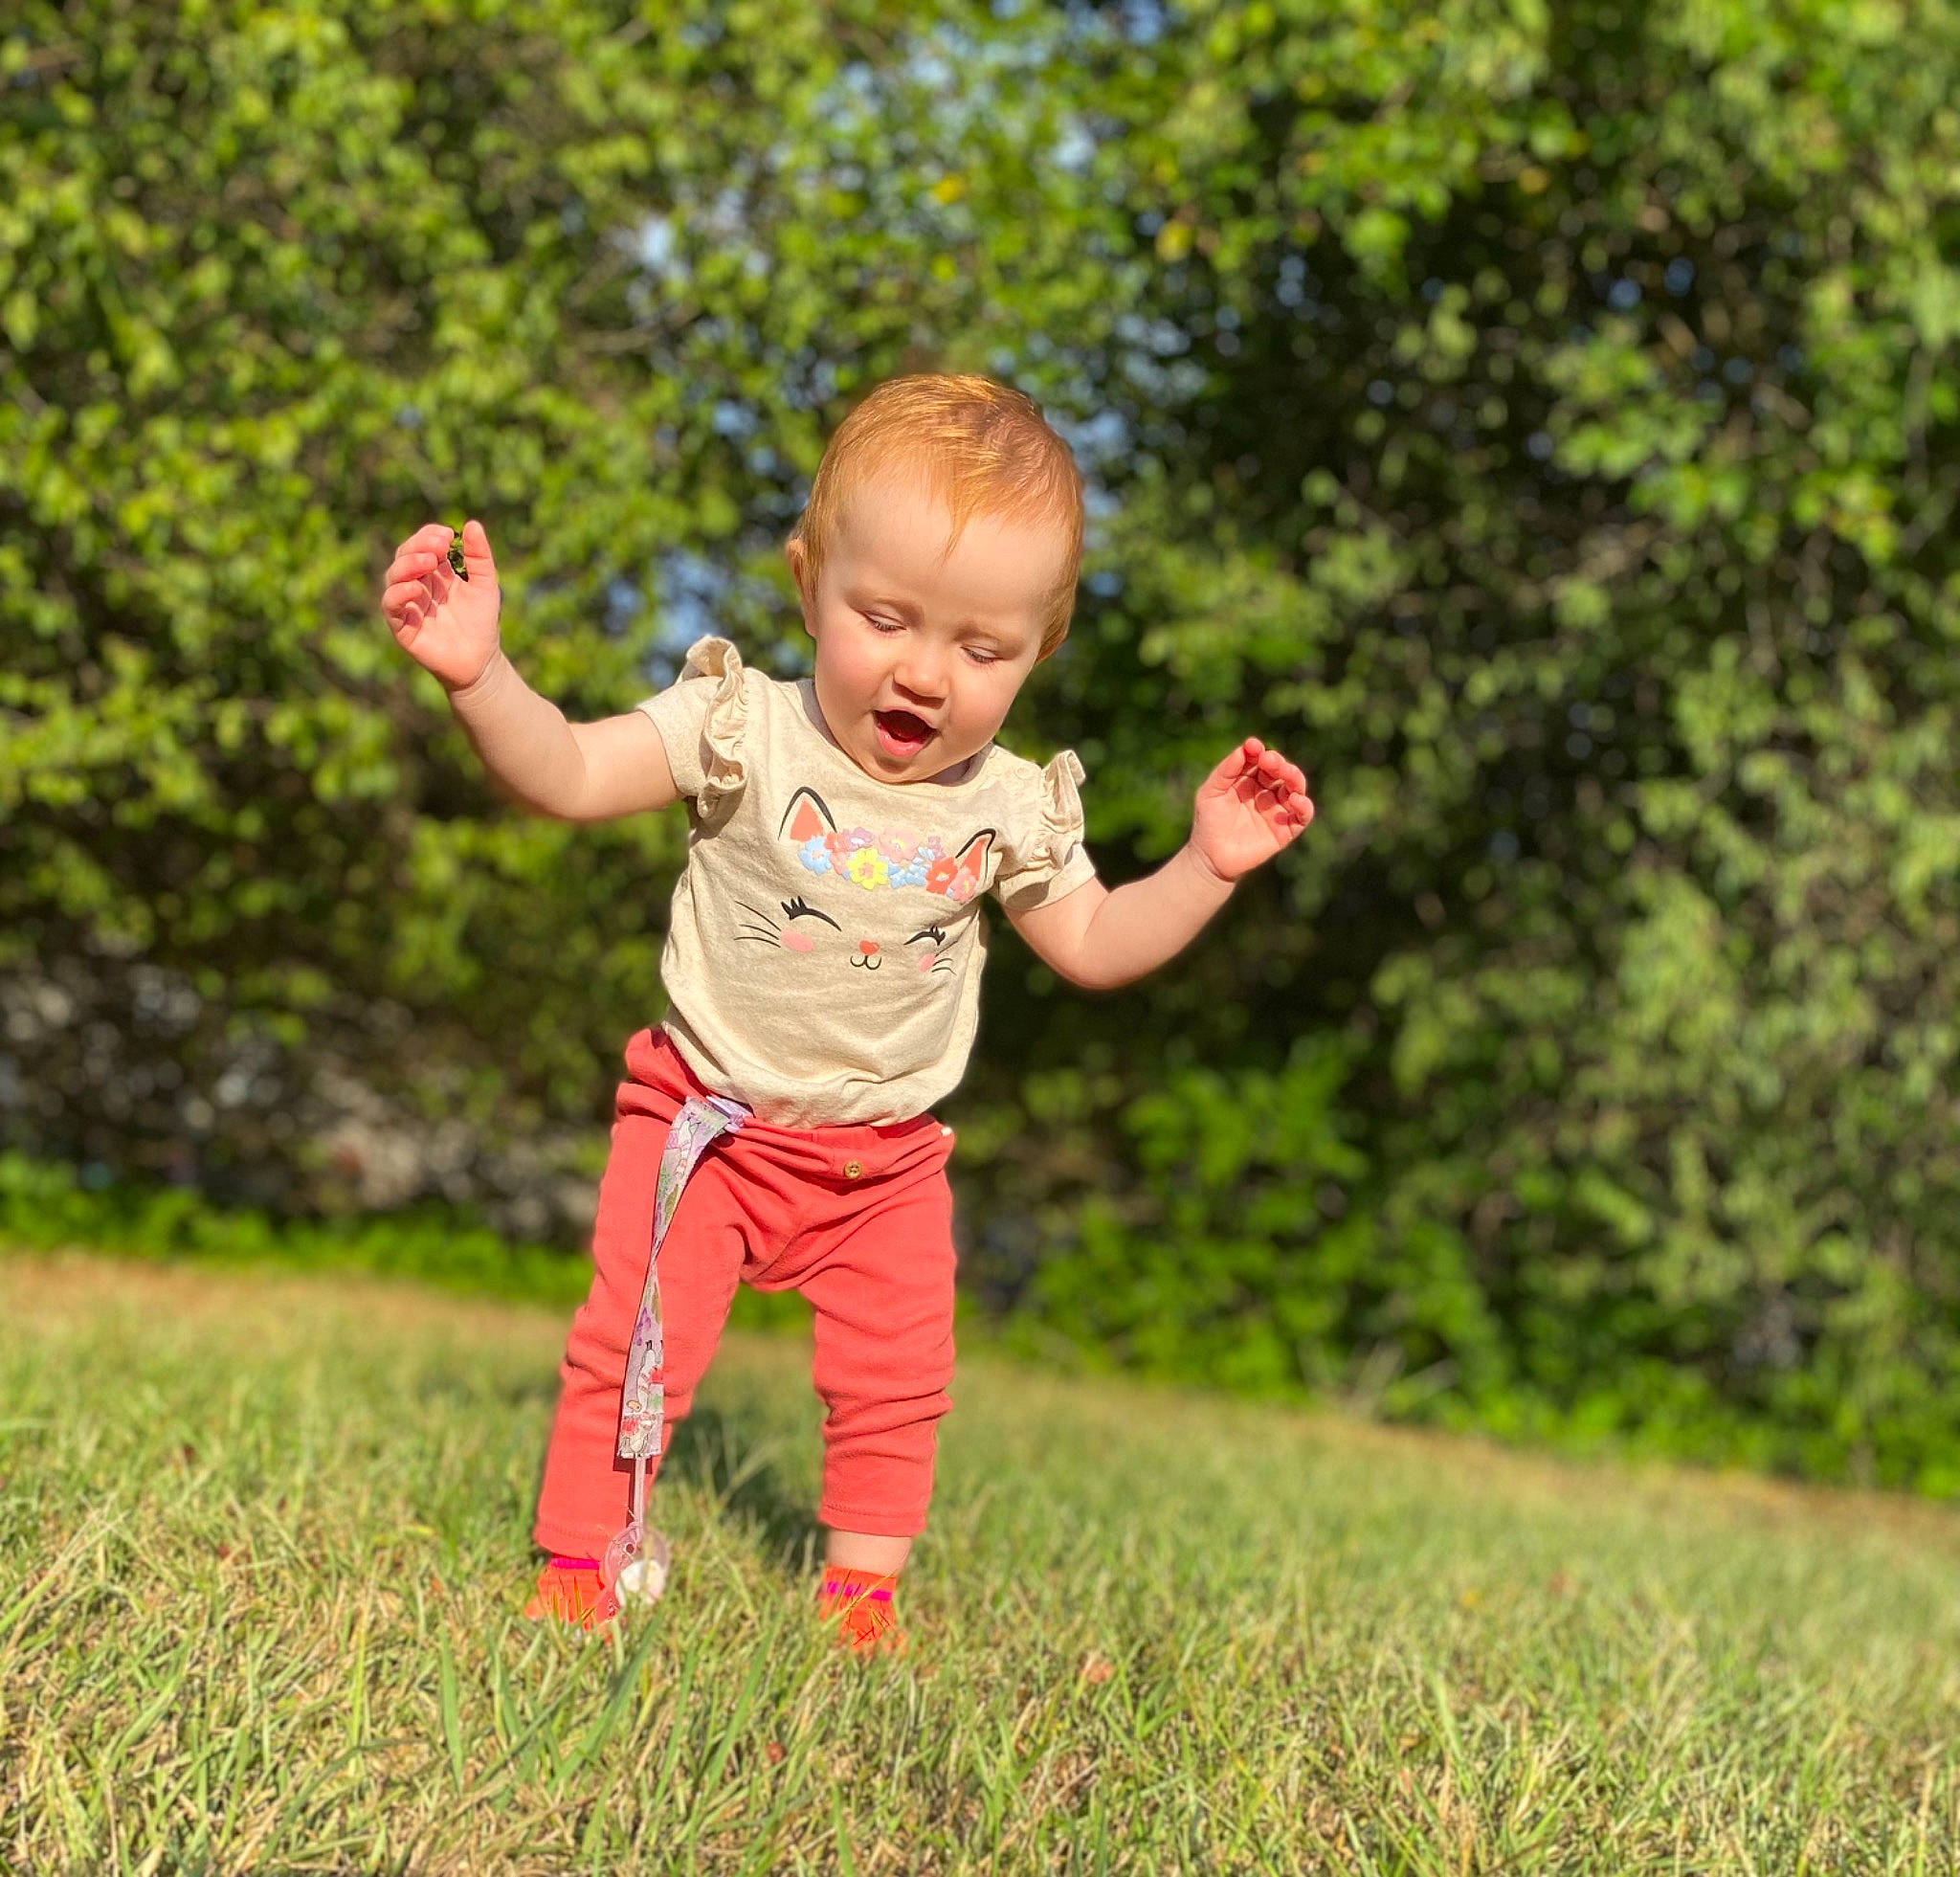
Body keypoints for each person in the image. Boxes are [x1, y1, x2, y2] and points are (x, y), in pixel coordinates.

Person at [378, 374, 1313, 1651]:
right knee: (633, 1344)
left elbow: (1094, 943)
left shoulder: (1011, 804)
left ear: (1039, 650)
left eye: (983, 648)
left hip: (881, 1161)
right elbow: (573, 772)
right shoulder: (740, 729)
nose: (925, 670)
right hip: (703, 1124)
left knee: (896, 1384)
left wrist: (1205, 863)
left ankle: (859, 1604)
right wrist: (483, 678)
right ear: (809, 581)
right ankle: (579, 1568)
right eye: (884, 616)